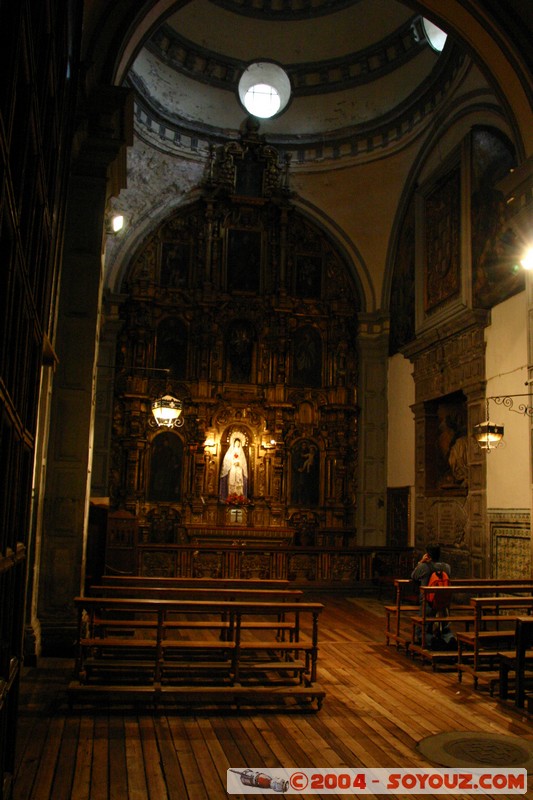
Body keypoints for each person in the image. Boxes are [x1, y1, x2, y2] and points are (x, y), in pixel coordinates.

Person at [411, 542, 455, 649]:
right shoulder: (447, 567)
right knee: (444, 626)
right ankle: (450, 640)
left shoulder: (424, 567)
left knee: (422, 631)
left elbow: (413, 576)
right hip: (443, 603)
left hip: (428, 603)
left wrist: (421, 562)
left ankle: (434, 643)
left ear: (428, 555)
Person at [219, 433, 248, 501]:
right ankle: (231, 497)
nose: (237, 444)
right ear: (234, 443)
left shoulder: (241, 452)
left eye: (238, 443)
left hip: (239, 469)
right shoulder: (230, 451)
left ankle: (239, 497)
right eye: (236, 443)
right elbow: (227, 460)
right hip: (232, 468)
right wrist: (232, 462)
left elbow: (243, 462)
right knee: (232, 482)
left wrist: (239, 463)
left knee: (238, 482)